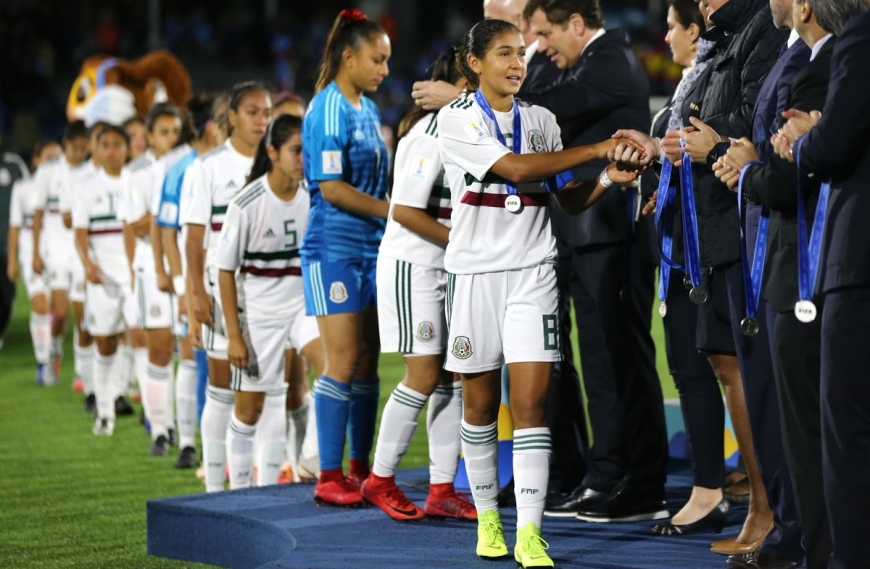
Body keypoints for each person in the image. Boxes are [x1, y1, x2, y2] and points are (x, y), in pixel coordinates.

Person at [438, 18, 645, 568]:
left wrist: (606, 180)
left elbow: (567, 201)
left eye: (519, 54)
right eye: (502, 53)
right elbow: (515, 169)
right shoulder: (453, 120)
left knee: (532, 405)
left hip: (532, 272)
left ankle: (530, 533)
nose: (515, 63)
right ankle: (488, 519)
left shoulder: (542, 119)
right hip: (475, 276)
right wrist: (599, 147)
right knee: (480, 407)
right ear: (474, 63)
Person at [770, 5, 870, 568]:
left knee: (848, 431)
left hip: (858, 264)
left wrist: (809, 136)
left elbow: (836, 145)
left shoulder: (860, 34)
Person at [360, 47, 474, 522]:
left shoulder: (469, 129)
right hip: (416, 265)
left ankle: (442, 488)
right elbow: (404, 211)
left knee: (453, 377)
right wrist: (461, 244)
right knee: (425, 374)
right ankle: (379, 479)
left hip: (449, 266)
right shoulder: (429, 132)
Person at [636, 0, 734, 537]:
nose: (667, 37)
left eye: (673, 27)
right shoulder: (674, 101)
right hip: (676, 249)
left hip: (706, 250)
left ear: (695, 32)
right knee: (687, 364)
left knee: (711, 367)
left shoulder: (703, 95)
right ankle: (710, 484)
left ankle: (712, 488)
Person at [300, 9, 391, 507]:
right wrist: (394, 211)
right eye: (377, 60)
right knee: (343, 361)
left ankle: (361, 469)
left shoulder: (368, 110)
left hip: (373, 247)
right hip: (333, 250)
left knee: (369, 361)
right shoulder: (326, 110)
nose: (385, 70)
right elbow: (331, 189)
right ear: (349, 56)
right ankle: (328, 476)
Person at [217, 114, 323, 489]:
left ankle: (310, 462)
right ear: (273, 152)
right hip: (260, 318)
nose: (302, 159)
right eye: (296, 151)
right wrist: (234, 335)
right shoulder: (246, 204)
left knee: (333, 368)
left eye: (307, 152)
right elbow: (225, 272)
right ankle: (236, 493)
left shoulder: (315, 195)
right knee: (250, 411)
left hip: (302, 310)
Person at [182, 81, 272, 492]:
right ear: (231, 116)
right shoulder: (208, 167)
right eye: (252, 111)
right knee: (221, 386)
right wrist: (196, 294)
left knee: (268, 387)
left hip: (270, 291)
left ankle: (258, 481)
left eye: (266, 112)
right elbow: (194, 238)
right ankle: (215, 487)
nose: (261, 120)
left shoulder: (276, 161)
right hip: (222, 290)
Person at [157, 93, 228, 469]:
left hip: (228, 280)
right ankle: (197, 446)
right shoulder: (181, 170)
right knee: (197, 359)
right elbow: (169, 231)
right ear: (214, 125)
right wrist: (184, 285)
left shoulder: (237, 164)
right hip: (196, 280)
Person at [122, 102, 187, 456]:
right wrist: (166, 210)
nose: (171, 138)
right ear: (149, 136)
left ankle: (185, 430)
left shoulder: (189, 164)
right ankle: (161, 428)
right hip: (152, 269)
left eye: (176, 131)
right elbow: (135, 225)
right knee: (160, 351)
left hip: (187, 270)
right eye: (164, 132)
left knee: (189, 353)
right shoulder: (137, 171)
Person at [71, 125, 132, 436]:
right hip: (102, 275)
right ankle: (104, 411)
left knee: (144, 342)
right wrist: (88, 264)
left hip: (135, 274)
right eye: (105, 144)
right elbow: (79, 232)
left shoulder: (137, 181)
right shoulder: (86, 186)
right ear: (97, 148)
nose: (111, 150)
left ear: (127, 147)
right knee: (105, 343)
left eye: (117, 144)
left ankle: (159, 422)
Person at [30, 121, 90, 385]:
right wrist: (35, 252)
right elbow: (38, 214)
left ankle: (80, 370)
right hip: (55, 248)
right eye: (75, 149)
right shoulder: (48, 172)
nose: (79, 154)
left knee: (83, 312)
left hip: (81, 251)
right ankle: (53, 349)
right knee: (62, 311)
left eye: (83, 149)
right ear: (66, 145)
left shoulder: (91, 172)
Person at [6, 140, 61, 379]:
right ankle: (43, 360)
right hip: (31, 253)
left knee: (59, 310)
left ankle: (55, 352)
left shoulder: (63, 187)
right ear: (36, 160)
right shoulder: (23, 188)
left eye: (56, 158)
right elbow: (15, 225)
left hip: (59, 252)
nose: (53, 163)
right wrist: (12, 259)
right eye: (48, 158)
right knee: (40, 304)